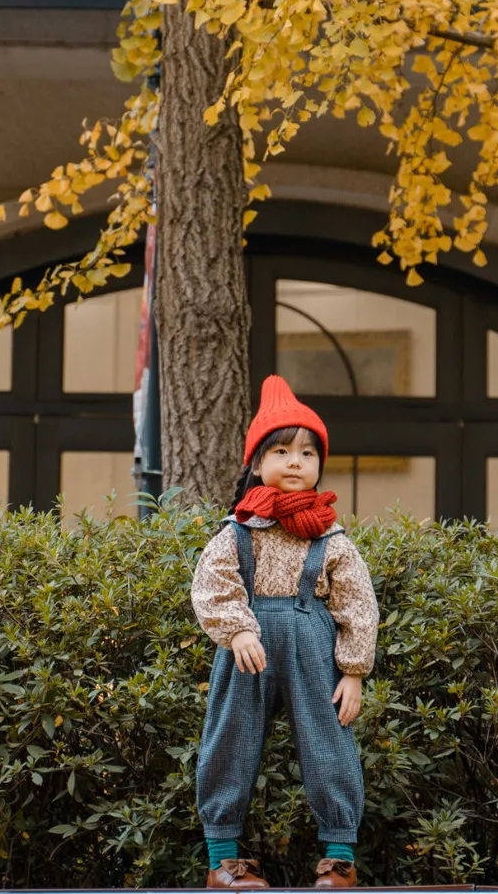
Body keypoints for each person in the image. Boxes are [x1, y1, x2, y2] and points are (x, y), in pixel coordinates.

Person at [192, 375, 380, 891]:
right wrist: (235, 631)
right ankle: (224, 861)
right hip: (246, 654)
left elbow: (357, 604)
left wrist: (355, 672)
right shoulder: (236, 531)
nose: (295, 461)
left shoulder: (333, 539)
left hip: (315, 653)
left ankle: (339, 860)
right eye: (280, 450)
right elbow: (212, 583)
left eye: (306, 452)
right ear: (257, 463)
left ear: (320, 465)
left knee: (329, 744)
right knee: (229, 740)